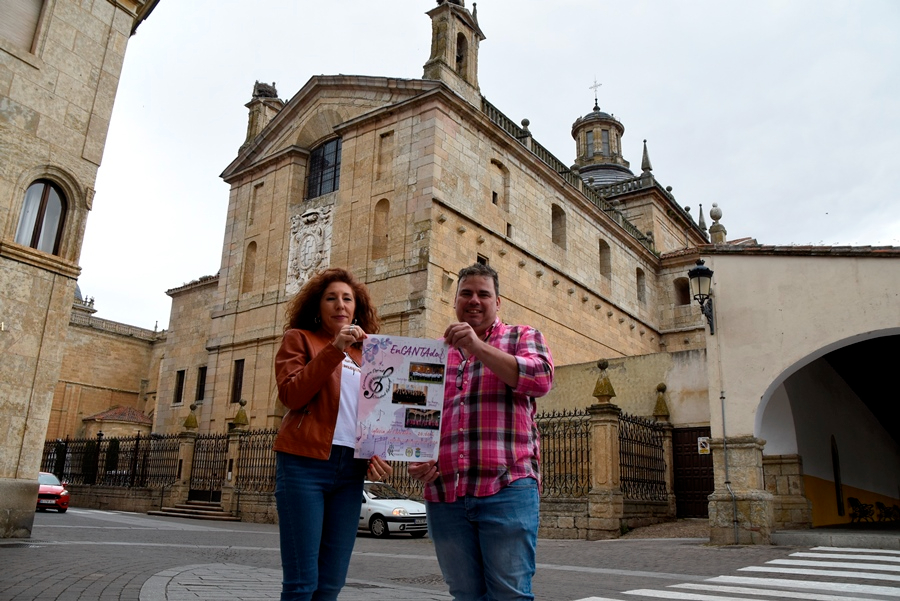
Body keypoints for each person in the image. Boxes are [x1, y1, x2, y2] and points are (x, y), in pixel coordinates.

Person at [409, 263, 554, 601]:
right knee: (464, 593)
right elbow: (415, 418)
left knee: (510, 594)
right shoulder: (431, 355)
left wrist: (476, 347)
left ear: (497, 302)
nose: (474, 300)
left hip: (506, 486)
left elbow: (540, 379)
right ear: (455, 300)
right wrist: (415, 458)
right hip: (445, 494)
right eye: (466, 293)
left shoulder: (522, 337)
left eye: (483, 294)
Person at [273, 267, 393, 601]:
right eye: (331, 298)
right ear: (318, 306)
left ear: (357, 308)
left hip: (351, 472)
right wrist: (334, 348)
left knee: (331, 583)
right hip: (304, 465)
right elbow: (292, 395)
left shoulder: (368, 352)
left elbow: (377, 414)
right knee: (301, 582)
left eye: (347, 298)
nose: (340, 304)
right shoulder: (299, 339)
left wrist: (376, 451)